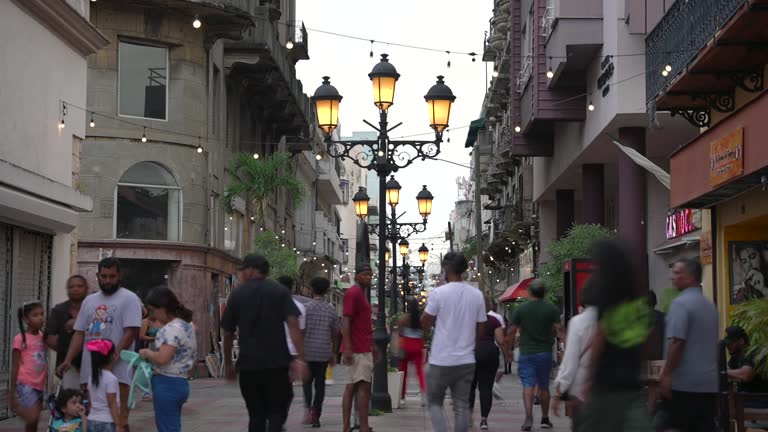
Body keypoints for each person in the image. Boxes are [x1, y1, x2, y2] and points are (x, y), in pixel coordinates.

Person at [221, 255, 307, 432]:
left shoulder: (237, 294)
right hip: (277, 364)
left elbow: (228, 332)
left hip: (248, 365)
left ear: (251, 269)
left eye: (243, 270)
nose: (242, 274)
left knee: (255, 415)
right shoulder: (280, 292)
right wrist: (300, 359)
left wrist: (228, 363)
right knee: (276, 412)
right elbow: (294, 326)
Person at [57, 257, 143, 432]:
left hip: (118, 373)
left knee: (119, 419)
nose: (108, 280)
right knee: (90, 418)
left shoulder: (130, 299)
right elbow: (80, 333)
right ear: (97, 276)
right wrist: (68, 360)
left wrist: (113, 357)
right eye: (104, 276)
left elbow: (131, 332)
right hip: (90, 373)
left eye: (112, 276)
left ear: (119, 276)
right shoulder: (89, 301)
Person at [577, 240, 653, 432]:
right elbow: (646, 340)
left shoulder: (606, 297)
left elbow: (599, 339)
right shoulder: (638, 299)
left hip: (607, 383)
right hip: (633, 382)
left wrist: (588, 377)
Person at [421, 252, 486, 432]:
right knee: (461, 406)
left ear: (446, 269)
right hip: (465, 360)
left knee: (434, 402)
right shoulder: (476, 295)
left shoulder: (439, 294)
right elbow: (481, 329)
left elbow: (425, 323)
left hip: (441, 360)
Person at [659, 258, 719, 432]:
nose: (672, 277)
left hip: (684, 384)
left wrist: (667, 374)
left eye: (678, 273)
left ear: (691, 277)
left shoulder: (681, 304)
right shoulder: (710, 308)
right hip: (709, 385)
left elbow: (677, 342)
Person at [504, 279, 561, 431]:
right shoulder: (551, 309)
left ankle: (528, 416)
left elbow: (511, 332)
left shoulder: (521, 310)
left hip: (527, 353)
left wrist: (508, 351)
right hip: (545, 353)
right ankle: (545, 418)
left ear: (529, 292)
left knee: (528, 385)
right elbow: (559, 330)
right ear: (544, 293)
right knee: (544, 387)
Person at [138, 286, 197, 432]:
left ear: (162, 308)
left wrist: (146, 353)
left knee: (167, 428)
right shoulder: (187, 325)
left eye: (152, 311)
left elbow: (163, 358)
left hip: (167, 382)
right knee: (172, 426)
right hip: (180, 381)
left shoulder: (171, 328)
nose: (153, 316)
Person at [552, 281, 598, 431]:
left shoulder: (578, 322)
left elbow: (570, 361)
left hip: (580, 387)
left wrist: (560, 391)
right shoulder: (609, 321)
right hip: (604, 388)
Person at [302, 277, 340, 428]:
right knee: (320, 385)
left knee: (306, 383)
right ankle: (316, 414)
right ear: (326, 291)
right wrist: (334, 352)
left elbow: (301, 330)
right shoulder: (331, 309)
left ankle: (309, 410)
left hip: (307, 351)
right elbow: (335, 333)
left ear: (312, 290)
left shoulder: (306, 308)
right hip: (323, 352)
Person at [341, 265, 376, 432]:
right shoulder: (353, 293)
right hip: (357, 349)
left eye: (370, 275)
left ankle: (352, 427)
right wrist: (348, 347)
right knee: (360, 388)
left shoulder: (360, 294)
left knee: (354, 387)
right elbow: (346, 320)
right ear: (357, 276)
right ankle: (361, 427)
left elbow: (362, 323)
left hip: (362, 346)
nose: (368, 277)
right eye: (365, 275)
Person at [468, 295, 506, 430]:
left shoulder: (468, 320)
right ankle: (484, 420)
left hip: (470, 354)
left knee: (469, 388)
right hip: (489, 354)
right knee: (486, 388)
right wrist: (507, 355)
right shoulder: (494, 320)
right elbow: (501, 341)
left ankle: (469, 416)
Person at [276, 275, 307, 430]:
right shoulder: (299, 307)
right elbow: (300, 332)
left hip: (273, 352)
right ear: (292, 288)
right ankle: (279, 420)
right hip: (291, 354)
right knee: (286, 390)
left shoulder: (268, 305)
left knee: (274, 388)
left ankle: (274, 418)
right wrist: (302, 358)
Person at [46, 275, 88, 390]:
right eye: (71, 287)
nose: (75, 289)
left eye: (79, 286)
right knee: (71, 401)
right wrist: (67, 351)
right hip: (68, 365)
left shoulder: (93, 307)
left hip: (92, 362)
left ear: (86, 288)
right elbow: (49, 336)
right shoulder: (59, 310)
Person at [11, 301, 47, 432]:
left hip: (40, 384)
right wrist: (12, 394)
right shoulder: (20, 339)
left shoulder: (43, 336)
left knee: (34, 423)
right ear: (26, 319)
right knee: (32, 417)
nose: (40, 318)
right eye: (35, 315)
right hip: (26, 383)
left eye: (42, 314)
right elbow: (14, 366)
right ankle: (15, 406)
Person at [725, 325, 768, 408]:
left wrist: (722, 371)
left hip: (761, 399)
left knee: (723, 405)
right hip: (746, 397)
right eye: (727, 343)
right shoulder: (735, 356)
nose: (727, 346)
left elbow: (746, 375)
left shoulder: (754, 353)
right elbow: (729, 371)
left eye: (731, 343)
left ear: (741, 341)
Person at [86, 339, 122, 432]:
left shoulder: (91, 378)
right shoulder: (111, 379)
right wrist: (118, 424)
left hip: (91, 420)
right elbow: (112, 403)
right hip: (107, 422)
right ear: (113, 356)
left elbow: (90, 402)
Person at [398, 298, 426, 405]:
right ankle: (423, 395)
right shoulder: (420, 319)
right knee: (420, 372)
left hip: (406, 346)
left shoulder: (404, 319)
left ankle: (402, 397)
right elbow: (424, 332)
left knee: (403, 372)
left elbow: (400, 333)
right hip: (418, 346)